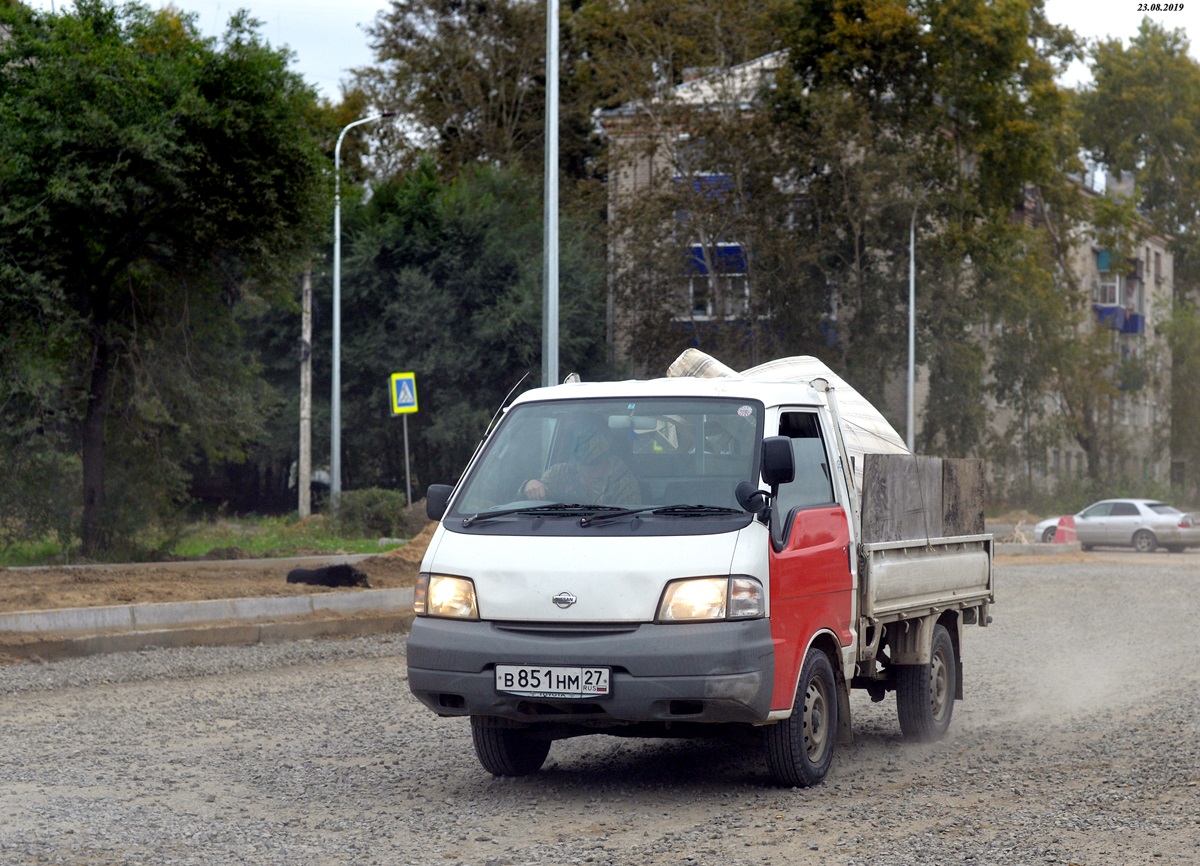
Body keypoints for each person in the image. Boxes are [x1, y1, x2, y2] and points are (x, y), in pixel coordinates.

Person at [522, 424, 641, 505]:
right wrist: (529, 484)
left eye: (592, 436)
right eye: (581, 438)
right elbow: (536, 492)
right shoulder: (559, 472)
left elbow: (631, 522)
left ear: (607, 441)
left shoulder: (623, 479)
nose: (587, 443)